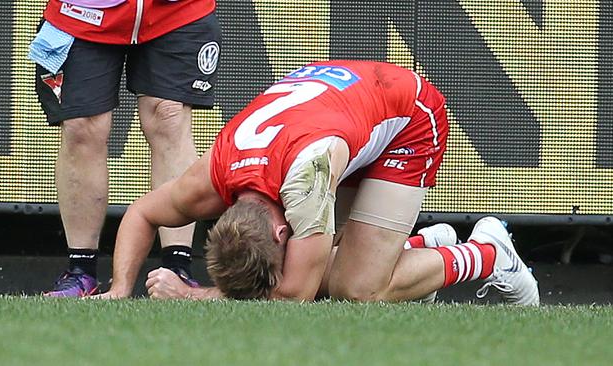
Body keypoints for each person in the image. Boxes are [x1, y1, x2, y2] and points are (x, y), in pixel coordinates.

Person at [97, 60, 540, 305]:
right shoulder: (214, 176)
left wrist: (193, 296)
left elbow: (294, 296)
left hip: (407, 115)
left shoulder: (305, 186)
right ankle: (414, 249)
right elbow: (141, 213)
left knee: (358, 289)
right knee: (331, 263)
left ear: (281, 229)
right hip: (337, 116)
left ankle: (490, 252)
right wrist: (119, 289)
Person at [29, 0, 221, 297]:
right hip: (83, 11)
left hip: (177, 10)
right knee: (83, 126)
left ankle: (177, 269)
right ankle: (81, 273)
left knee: (168, 117)